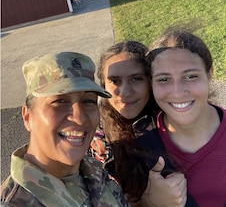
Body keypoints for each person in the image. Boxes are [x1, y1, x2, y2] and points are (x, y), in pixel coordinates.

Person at [0, 52, 129, 207]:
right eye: (60, 101)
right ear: (28, 117)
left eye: (88, 101)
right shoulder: (14, 202)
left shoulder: (94, 171)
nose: (79, 118)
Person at [88, 41, 195, 207]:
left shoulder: (170, 122)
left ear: (150, 82)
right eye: (115, 81)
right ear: (103, 85)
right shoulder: (92, 133)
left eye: (136, 79)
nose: (125, 93)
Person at [146, 29, 226, 207]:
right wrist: (151, 202)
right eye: (164, 79)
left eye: (190, 76)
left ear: (210, 73)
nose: (178, 92)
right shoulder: (139, 142)